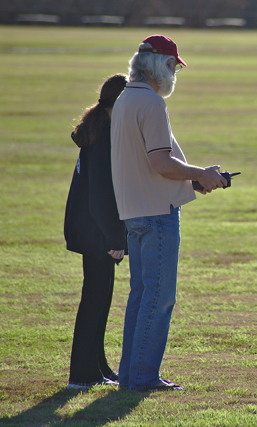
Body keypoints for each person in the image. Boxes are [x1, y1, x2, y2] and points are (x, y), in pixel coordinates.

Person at [111, 35, 227, 391]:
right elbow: (160, 162)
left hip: (135, 212)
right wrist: (202, 175)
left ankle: (131, 376)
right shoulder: (151, 103)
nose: (176, 73)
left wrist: (191, 182)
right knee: (159, 298)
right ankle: (143, 378)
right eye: (174, 66)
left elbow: (145, 166)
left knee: (141, 296)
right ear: (161, 65)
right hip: (157, 215)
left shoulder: (124, 100)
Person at [64, 74, 128, 390]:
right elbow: (101, 195)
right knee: (94, 299)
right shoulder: (104, 137)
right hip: (96, 231)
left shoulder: (103, 128)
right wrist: (115, 239)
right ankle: (82, 375)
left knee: (100, 298)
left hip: (92, 228)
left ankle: (98, 367)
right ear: (118, 104)